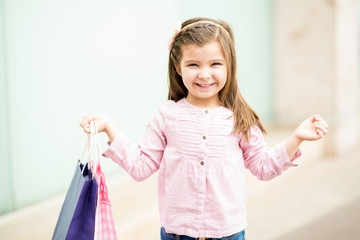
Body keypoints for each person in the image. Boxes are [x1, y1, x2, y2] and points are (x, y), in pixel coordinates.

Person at [80, 17, 328, 240]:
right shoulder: (167, 115)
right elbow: (141, 166)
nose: (205, 74)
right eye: (193, 65)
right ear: (178, 68)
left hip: (228, 233)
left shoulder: (239, 117)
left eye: (215, 64)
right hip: (177, 233)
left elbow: (263, 167)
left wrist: (297, 137)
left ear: (229, 66)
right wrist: (108, 128)